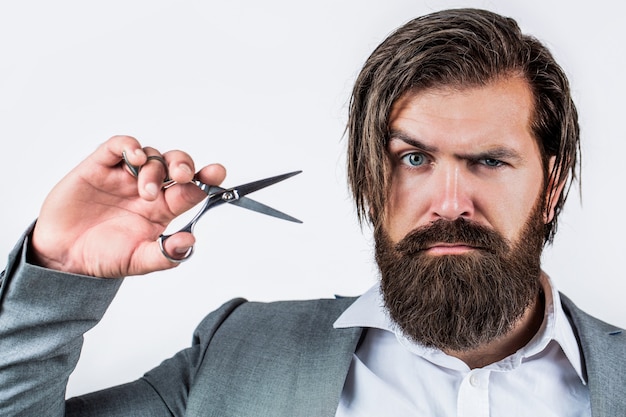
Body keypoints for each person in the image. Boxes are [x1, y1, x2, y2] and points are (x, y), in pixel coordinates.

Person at [1, 7, 624, 416]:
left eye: (489, 161)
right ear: (368, 180)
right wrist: (61, 272)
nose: (450, 203)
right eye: (413, 160)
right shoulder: (238, 353)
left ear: (552, 185)